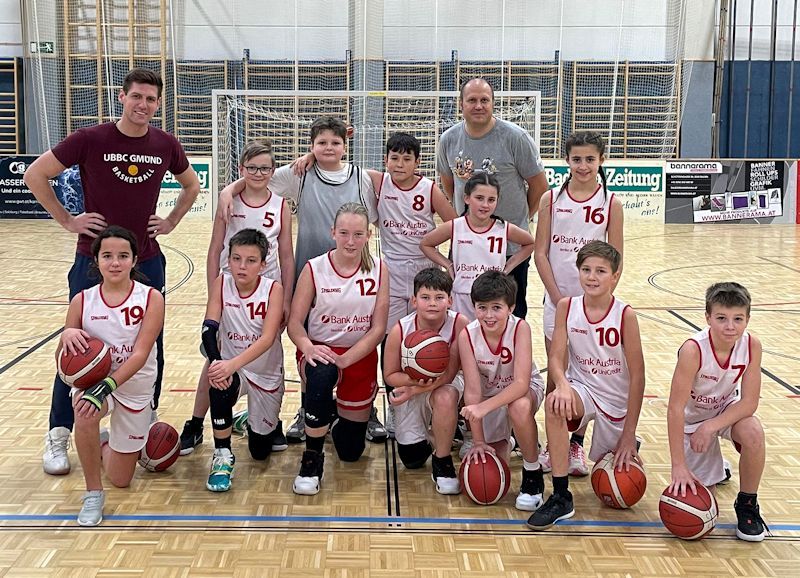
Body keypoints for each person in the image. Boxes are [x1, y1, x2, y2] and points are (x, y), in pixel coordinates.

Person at [25, 67, 200, 476]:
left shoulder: (165, 144)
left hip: (147, 260)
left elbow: (191, 186)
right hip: (94, 261)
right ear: (121, 97)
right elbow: (35, 174)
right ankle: (59, 433)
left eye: (151, 99)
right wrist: (68, 220)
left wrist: (172, 220)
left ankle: (141, 423)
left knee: (149, 346)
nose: (143, 105)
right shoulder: (90, 138)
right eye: (136, 96)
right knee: (77, 346)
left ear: (158, 104)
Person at [218, 117, 386, 444]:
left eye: (335, 143)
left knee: (360, 334)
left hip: (355, 272)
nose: (328, 148)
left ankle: (365, 410)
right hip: (312, 275)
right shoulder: (300, 174)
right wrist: (229, 189)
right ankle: (308, 407)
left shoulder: (361, 177)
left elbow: (376, 213)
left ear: (345, 145)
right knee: (309, 345)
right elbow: (258, 179)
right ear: (311, 146)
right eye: (321, 143)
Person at [179, 140, 293, 455]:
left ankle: (268, 419)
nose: (258, 173)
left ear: (273, 171)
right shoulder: (229, 200)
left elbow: (286, 255)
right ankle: (195, 423)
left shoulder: (280, 205)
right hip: (231, 287)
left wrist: (287, 298)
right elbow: (215, 248)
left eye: (265, 168)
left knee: (269, 352)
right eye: (251, 167)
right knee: (215, 357)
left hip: (267, 290)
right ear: (241, 169)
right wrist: (213, 291)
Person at [527, 241, 645, 531]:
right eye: (586, 270)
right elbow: (556, 357)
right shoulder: (567, 307)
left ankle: (626, 441)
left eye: (600, 271)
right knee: (555, 404)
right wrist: (562, 384)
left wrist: (629, 433)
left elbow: (638, 377)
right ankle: (560, 496)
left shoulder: (625, 315)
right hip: (583, 390)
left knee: (623, 482)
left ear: (615, 276)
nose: (592, 277)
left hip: (616, 400)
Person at [61, 226, 164, 526]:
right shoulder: (82, 301)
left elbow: (140, 354)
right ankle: (93, 493)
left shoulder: (151, 298)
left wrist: (107, 385)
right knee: (84, 411)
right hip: (96, 384)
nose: (115, 263)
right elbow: (64, 362)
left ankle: (103, 443)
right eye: (107, 256)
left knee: (121, 479)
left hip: (134, 385)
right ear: (96, 260)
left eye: (123, 256)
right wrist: (66, 335)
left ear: (134, 260)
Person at [534, 131, 624, 477]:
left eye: (590, 159)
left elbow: (616, 260)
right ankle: (552, 444)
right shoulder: (550, 199)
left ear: (601, 160)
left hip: (593, 307)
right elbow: (541, 253)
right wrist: (559, 299)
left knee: (585, 375)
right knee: (557, 373)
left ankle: (576, 444)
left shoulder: (611, 203)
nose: (583, 166)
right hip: (557, 300)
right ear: (567, 161)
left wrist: (596, 303)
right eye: (576, 159)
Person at [288, 203, 389, 495]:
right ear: (332, 232)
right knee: (321, 377)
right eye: (344, 233)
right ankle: (312, 459)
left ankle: (329, 414)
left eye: (358, 234)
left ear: (369, 235)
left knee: (350, 451)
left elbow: (378, 329)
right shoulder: (314, 268)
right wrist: (307, 347)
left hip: (359, 354)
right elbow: (294, 324)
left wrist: (346, 359)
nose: (350, 241)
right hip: (320, 350)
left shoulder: (380, 269)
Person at [437, 77, 549, 318]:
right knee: (464, 311)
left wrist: (518, 220)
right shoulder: (448, 140)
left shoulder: (515, 138)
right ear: (461, 104)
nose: (478, 106)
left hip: (509, 248)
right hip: (466, 245)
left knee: (510, 312)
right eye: (472, 100)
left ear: (493, 104)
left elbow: (540, 186)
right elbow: (448, 183)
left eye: (484, 100)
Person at [666, 282, 768, 542]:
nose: (730, 326)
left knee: (753, 431)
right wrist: (678, 465)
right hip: (691, 420)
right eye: (721, 318)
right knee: (701, 507)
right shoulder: (693, 350)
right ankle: (714, 467)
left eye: (738, 319)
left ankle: (747, 504)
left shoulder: (752, 345)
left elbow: (749, 402)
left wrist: (710, 427)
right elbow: (675, 409)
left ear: (747, 319)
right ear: (708, 317)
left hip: (724, 410)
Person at [201, 229, 285, 492]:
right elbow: (208, 329)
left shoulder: (273, 289)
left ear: (263, 264)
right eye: (236, 259)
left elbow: (267, 339)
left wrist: (230, 365)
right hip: (233, 368)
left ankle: (248, 419)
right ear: (228, 260)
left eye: (250, 261)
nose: (241, 266)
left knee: (260, 450)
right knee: (219, 384)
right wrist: (218, 364)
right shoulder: (221, 283)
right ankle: (222, 454)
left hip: (265, 373)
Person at [458, 271, 546, 512]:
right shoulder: (467, 335)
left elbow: (521, 384)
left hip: (524, 389)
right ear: (474, 307)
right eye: (482, 307)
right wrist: (478, 441)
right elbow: (473, 391)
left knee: (518, 407)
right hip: (488, 395)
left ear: (511, 308)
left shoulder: (520, 328)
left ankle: (533, 472)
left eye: (496, 307)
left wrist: (483, 408)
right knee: (494, 464)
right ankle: (515, 438)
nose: (488, 315)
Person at [383, 268, 468, 494]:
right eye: (425, 297)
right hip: (412, 382)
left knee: (445, 396)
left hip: (447, 382)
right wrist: (414, 383)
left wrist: (415, 391)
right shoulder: (400, 329)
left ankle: (443, 460)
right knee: (412, 458)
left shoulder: (460, 324)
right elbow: (390, 375)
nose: (432, 303)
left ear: (450, 300)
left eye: (439, 297)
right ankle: (439, 433)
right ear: (413, 301)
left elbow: (450, 373)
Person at [420, 172, 534, 321]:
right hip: (462, 296)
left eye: (491, 200)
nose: (485, 205)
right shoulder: (455, 226)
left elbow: (530, 243)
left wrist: (507, 268)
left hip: (492, 298)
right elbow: (425, 244)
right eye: (479, 198)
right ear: (467, 198)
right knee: (462, 335)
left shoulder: (503, 228)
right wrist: (448, 265)